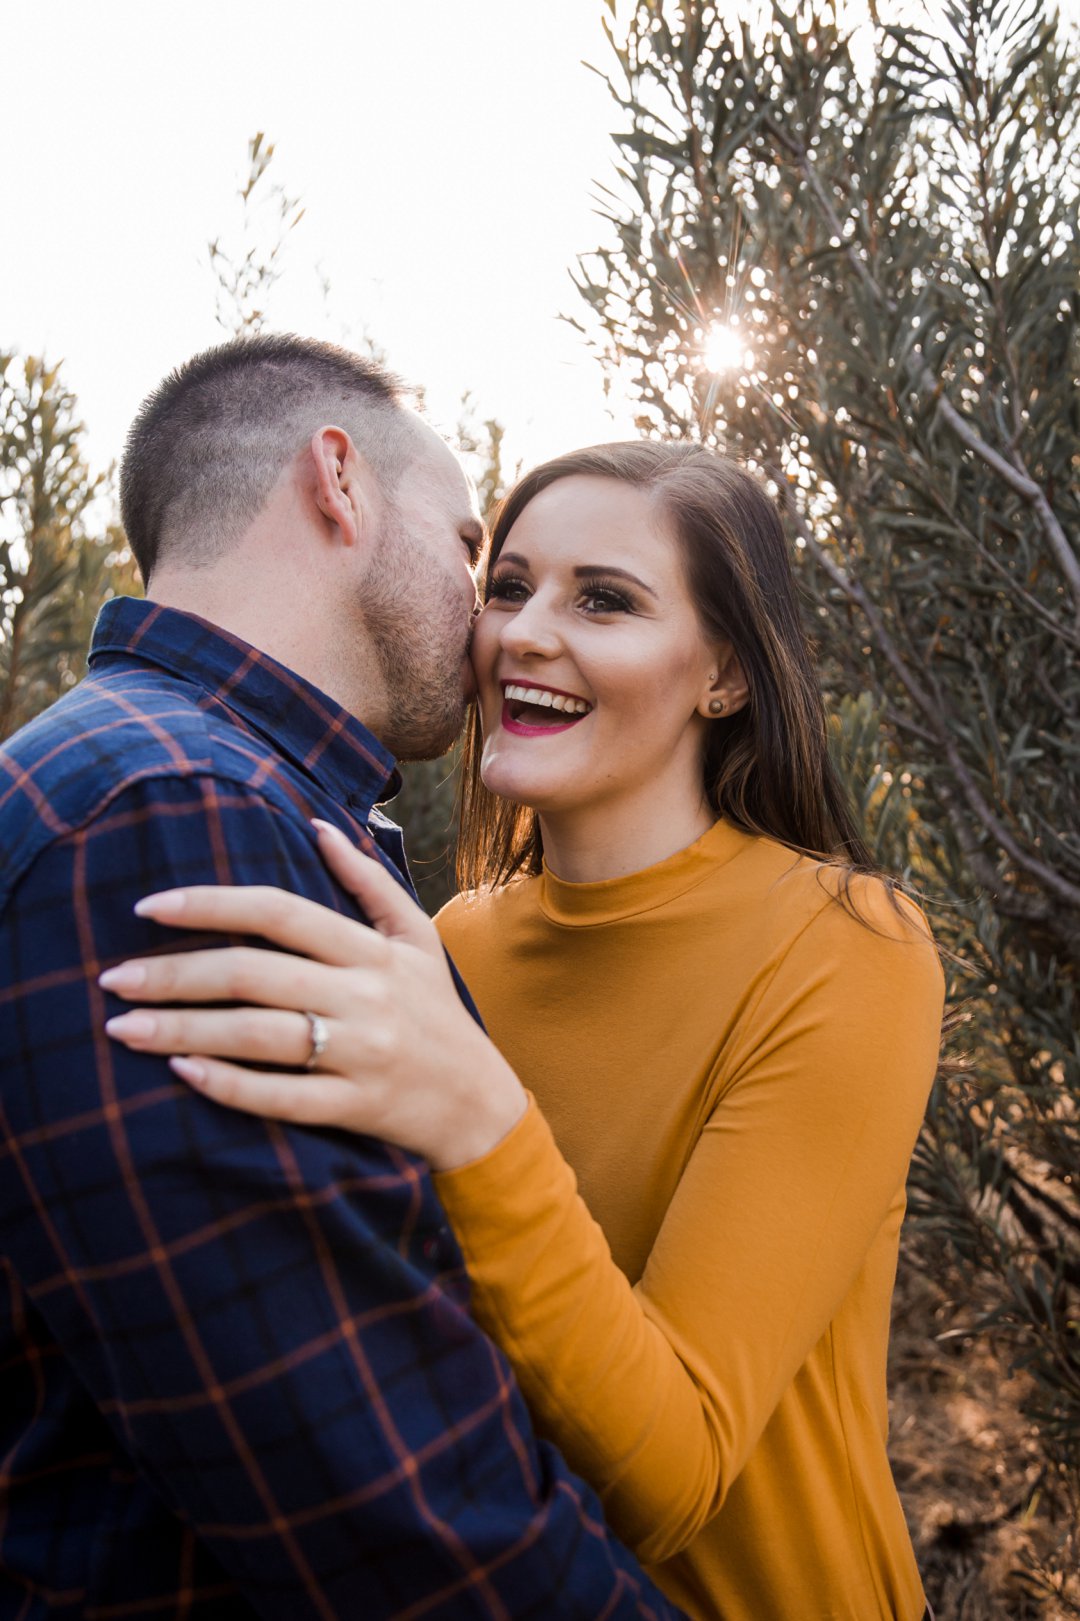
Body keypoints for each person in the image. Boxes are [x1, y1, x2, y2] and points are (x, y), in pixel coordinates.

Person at [102, 441, 946, 1621]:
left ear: (727, 678)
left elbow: (673, 1477)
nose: (523, 635)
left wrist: (479, 1117)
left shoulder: (849, 950)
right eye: (509, 587)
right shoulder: (453, 940)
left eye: (604, 599)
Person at [0, 338, 684, 1621]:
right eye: (477, 548)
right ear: (340, 481)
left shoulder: (190, 783)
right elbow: (384, 1503)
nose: (491, 619)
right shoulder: (172, 813)